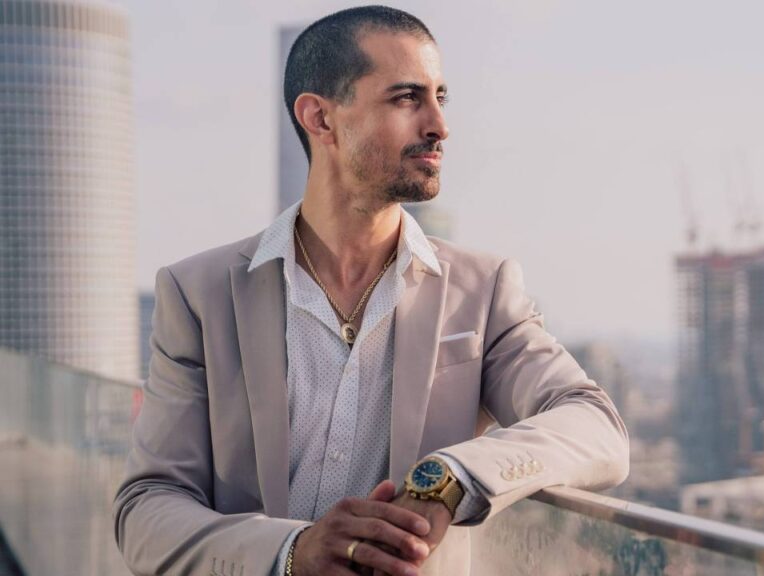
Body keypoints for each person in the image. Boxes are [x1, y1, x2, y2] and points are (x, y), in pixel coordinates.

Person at [113, 6, 628, 576]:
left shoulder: (482, 290)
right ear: (320, 118)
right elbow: (146, 511)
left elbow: (594, 424)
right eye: (407, 98)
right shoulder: (198, 294)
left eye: (441, 96)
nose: (439, 124)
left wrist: (450, 479)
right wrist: (291, 553)